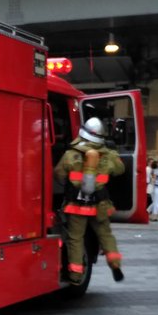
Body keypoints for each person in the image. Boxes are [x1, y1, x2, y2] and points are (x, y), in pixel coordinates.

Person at [54, 116, 125, 284]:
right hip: (100, 205)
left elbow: (59, 175)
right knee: (106, 236)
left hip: (77, 206)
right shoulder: (108, 155)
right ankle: (115, 264)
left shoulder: (71, 154)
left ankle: (76, 275)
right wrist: (112, 153)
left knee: (76, 239)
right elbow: (121, 170)